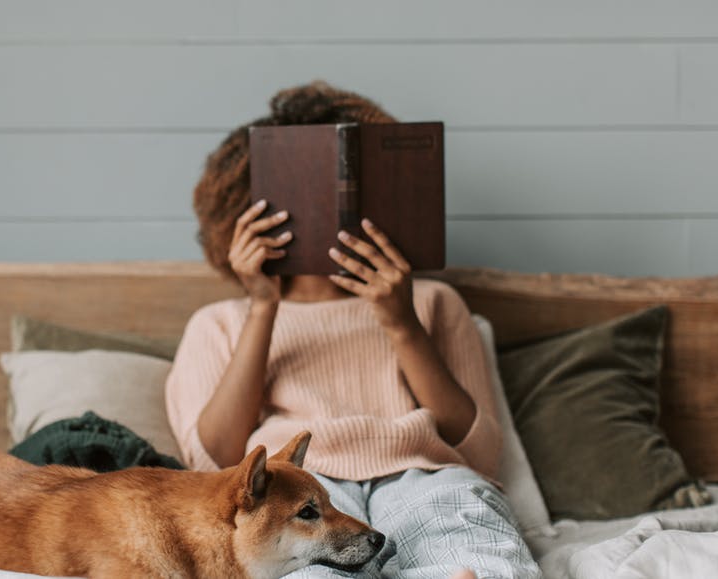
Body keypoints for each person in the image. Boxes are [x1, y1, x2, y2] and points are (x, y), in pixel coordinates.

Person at [165, 80, 541, 579]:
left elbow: (478, 454)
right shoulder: (220, 322)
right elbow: (214, 464)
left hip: (422, 476)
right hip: (299, 489)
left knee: (482, 555)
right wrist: (262, 306)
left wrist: (401, 321)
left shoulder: (432, 302)